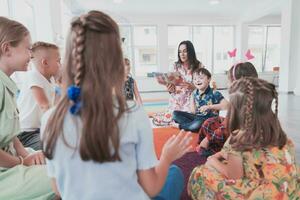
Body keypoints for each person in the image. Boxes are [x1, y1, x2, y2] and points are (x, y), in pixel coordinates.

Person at [41, 10, 192, 200]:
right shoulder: (133, 115)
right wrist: (167, 156)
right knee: (174, 172)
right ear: (117, 60)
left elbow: (58, 189)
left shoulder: (49, 120)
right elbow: (151, 188)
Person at [188, 77, 300, 199]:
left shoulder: (238, 138)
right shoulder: (281, 136)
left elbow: (233, 176)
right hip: (288, 191)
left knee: (199, 173)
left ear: (236, 111)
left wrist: (212, 160)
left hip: (262, 194)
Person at [0, 16, 55, 200]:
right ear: (7, 49)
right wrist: (23, 161)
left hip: (13, 156)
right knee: (65, 176)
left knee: (59, 159)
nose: (31, 55)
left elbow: (10, 134)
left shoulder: (6, 85)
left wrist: (26, 155)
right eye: (27, 49)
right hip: (5, 172)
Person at [197, 62, 258, 155]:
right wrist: (221, 119)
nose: (227, 84)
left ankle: (209, 149)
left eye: (228, 81)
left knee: (209, 126)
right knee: (210, 122)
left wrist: (208, 139)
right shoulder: (252, 97)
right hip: (236, 132)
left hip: (238, 139)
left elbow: (227, 129)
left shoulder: (240, 102)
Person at [17, 41, 61, 150]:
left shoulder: (50, 79)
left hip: (39, 130)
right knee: (55, 147)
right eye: (58, 61)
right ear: (45, 63)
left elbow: (54, 105)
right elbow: (44, 106)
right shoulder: (33, 75)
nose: (60, 64)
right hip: (25, 134)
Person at [172, 68, 228, 133]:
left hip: (209, 120)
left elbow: (226, 105)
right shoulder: (195, 93)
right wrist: (192, 97)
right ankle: (193, 127)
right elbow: (193, 112)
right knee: (175, 114)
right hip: (198, 118)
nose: (197, 81)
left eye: (201, 78)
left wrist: (209, 107)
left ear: (209, 79)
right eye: (195, 79)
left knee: (198, 123)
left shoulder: (214, 93)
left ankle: (182, 126)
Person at [167, 40, 203, 113]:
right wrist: (170, 89)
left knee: (187, 118)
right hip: (176, 102)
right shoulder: (174, 66)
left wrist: (193, 87)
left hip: (191, 101)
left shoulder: (199, 66)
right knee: (172, 119)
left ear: (190, 52)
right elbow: (171, 88)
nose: (182, 54)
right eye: (180, 52)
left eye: (185, 51)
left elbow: (205, 87)